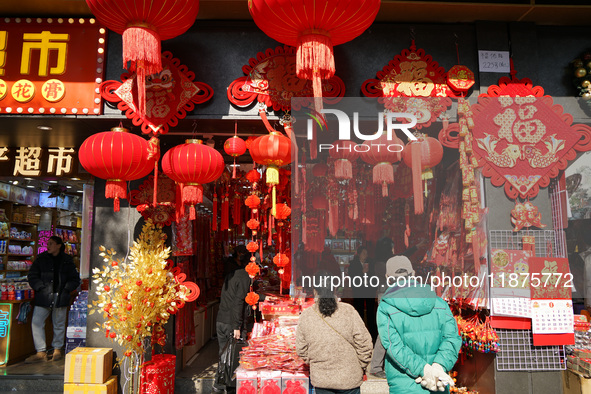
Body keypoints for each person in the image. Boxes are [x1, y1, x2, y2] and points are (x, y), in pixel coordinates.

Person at [377, 256, 460, 393]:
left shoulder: (385, 307)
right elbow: (452, 338)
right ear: (413, 274)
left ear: (388, 277)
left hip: (405, 384)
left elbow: (394, 346)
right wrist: (438, 367)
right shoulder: (439, 303)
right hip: (437, 382)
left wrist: (424, 370)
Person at [296, 271, 373, 394]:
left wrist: (316, 363)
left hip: (321, 379)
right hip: (349, 378)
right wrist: (361, 365)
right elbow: (365, 344)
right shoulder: (349, 311)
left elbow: (301, 349)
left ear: (315, 290)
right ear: (335, 289)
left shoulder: (306, 315)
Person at [214, 253, 264, 393]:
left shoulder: (233, 274)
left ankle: (219, 384)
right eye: (258, 268)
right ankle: (229, 385)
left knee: (224, 354)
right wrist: (237, 326)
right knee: (233, 356)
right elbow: (238, 302)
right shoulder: (244, 278)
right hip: (231, 322)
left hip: (222, 319)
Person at [26, 236, 80, 363]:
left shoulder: (67, 260)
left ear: (59, 245)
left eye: (51, 244)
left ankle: (57, 349)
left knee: (59, 323)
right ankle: (40, 351)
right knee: (37, 322)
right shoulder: (41, 259)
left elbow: (75, 279)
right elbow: (32, 275)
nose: (48, 246)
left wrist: (66, 289)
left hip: (60, 295)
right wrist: (40, 287)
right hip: (44, 296)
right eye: (48, 244)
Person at [348, 246, 377, 341]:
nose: (366, 255)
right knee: (359, 312)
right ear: (359, 254)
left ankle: (373, 336)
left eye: (366, 253)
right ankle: (359, 336)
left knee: (371, 313)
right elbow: (352, 276)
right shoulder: (353, 264)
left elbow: (374, 275)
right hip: (359, 291)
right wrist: (362, 272)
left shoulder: (371, 263)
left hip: (369, 291)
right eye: (364, 253)